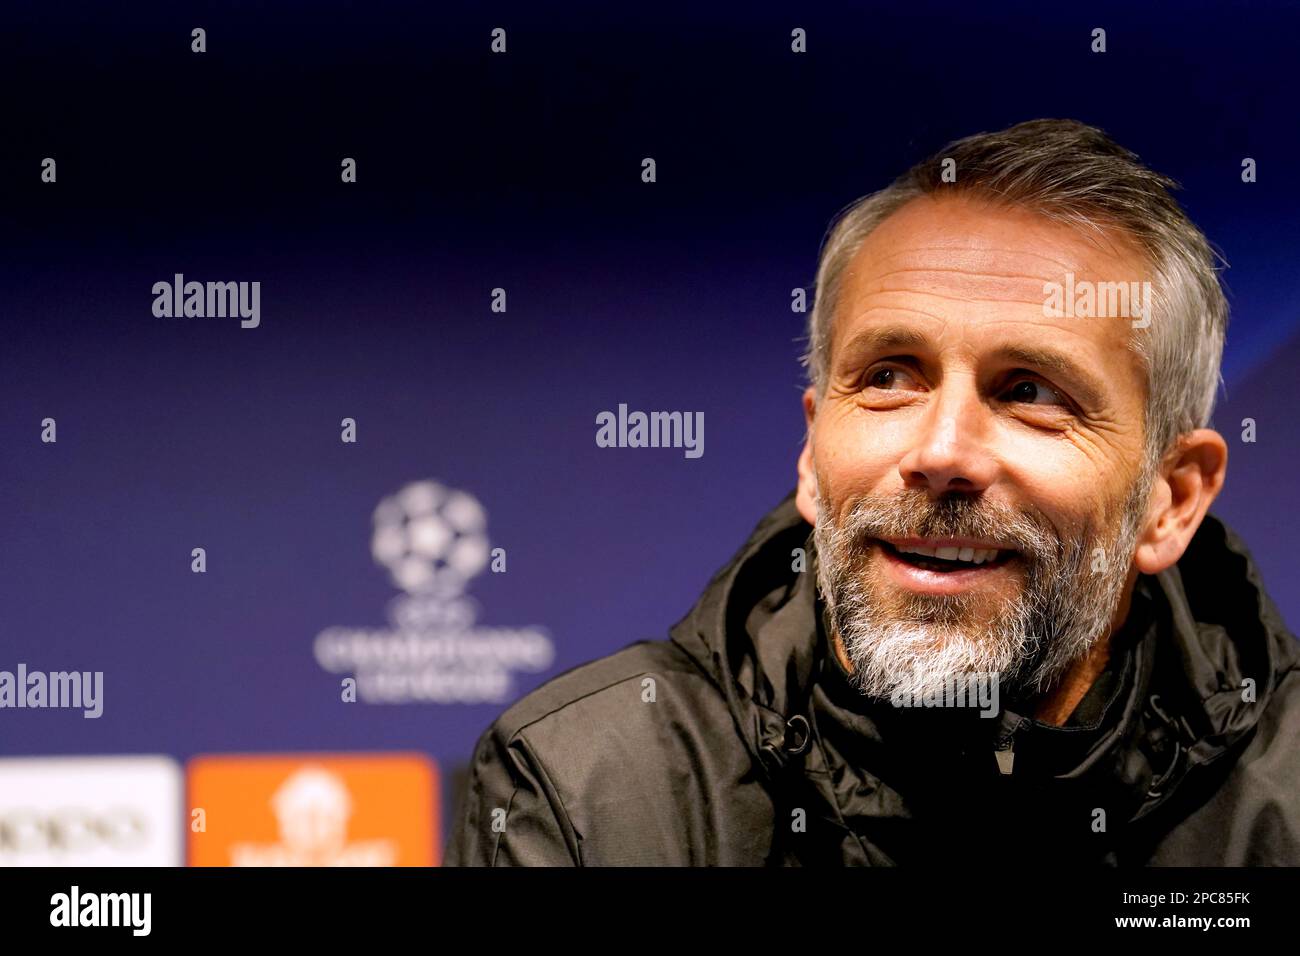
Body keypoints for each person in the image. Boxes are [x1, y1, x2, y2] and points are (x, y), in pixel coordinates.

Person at [445, 119, 1300, 866]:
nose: (940, 451)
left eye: (1031, 392)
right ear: (814, 454)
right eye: (889, 376)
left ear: (1171, 499)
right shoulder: (587, 790)